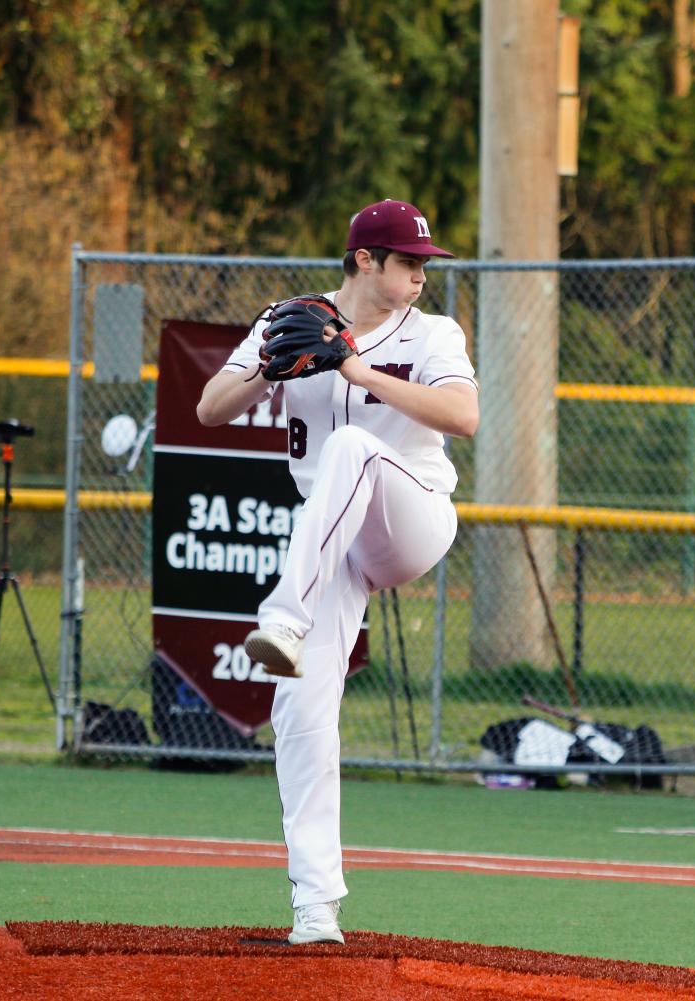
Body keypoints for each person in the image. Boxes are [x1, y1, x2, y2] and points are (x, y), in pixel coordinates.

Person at [196, 199, 479, 944]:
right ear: (364, 260)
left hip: (409, 516)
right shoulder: (289, 318)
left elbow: (461, 416)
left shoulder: (434, 332)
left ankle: (281, 619)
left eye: (423, 263)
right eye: (408, 261)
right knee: (297, 705)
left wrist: (353, 368)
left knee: (351, 447)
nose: (420, 274)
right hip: (334, 546)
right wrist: (268, 367)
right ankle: (315, 908)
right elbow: (209, 408)